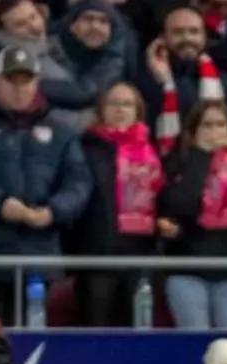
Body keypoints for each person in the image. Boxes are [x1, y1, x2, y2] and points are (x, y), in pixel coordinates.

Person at [0, 45, 91, 323]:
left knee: (35, 346)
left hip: (40, 259)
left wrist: (53, 211)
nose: (20, 88)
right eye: (12, 80)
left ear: (37, 83)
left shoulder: (62, 133)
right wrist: (0, 204)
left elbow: (79, 182)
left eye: (27, 80)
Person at [157, 100, 227, 330]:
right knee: (196, 345)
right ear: (194, 132)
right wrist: (201, 156)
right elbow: (181, 206)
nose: (214, 131)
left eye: (220, 125)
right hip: (188, 272)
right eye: (207, 125)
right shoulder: (179, 164)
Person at [71, 82, 163, 327]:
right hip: (97, 256)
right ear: (101, 110)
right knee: (96, 334)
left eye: (127, 104)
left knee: (137, 335)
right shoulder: (86, 147)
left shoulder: (152, 152)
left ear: (138, 111)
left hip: (140, 255)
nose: (120, 109)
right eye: (114, 103)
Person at [140, 5, 227, 154]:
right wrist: (162, 84)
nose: (187, 38)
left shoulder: (222, 80)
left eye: (194, 32)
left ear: (204, 36)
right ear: (162, 38)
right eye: (178, 32)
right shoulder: (145, 80)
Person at [39, 0, 127, 132]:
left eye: (103, 21)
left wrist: (35, 86)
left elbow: (85, 92)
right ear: (72, 25)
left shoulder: (112, 61)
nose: (95, 26)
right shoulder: (46, 46)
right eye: (88, 19)